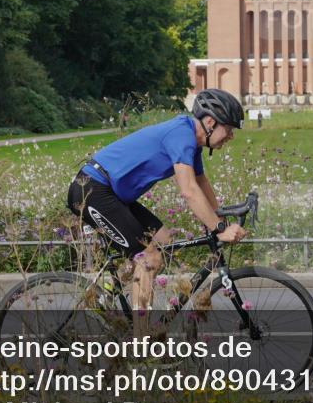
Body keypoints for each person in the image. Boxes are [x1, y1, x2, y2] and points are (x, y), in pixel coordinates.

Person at [67, 89, 248, 311]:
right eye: (229, 129)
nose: (231, 136)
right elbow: (189, 190)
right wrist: (219, 229)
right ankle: (142, 339)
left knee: (165, 241)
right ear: (210, 122)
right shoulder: (181, 135)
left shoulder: (192, 142)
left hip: (113, 194)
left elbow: (201, 182)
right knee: (149, 258)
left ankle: (104, 292)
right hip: (92, 189)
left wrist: (219, 218)